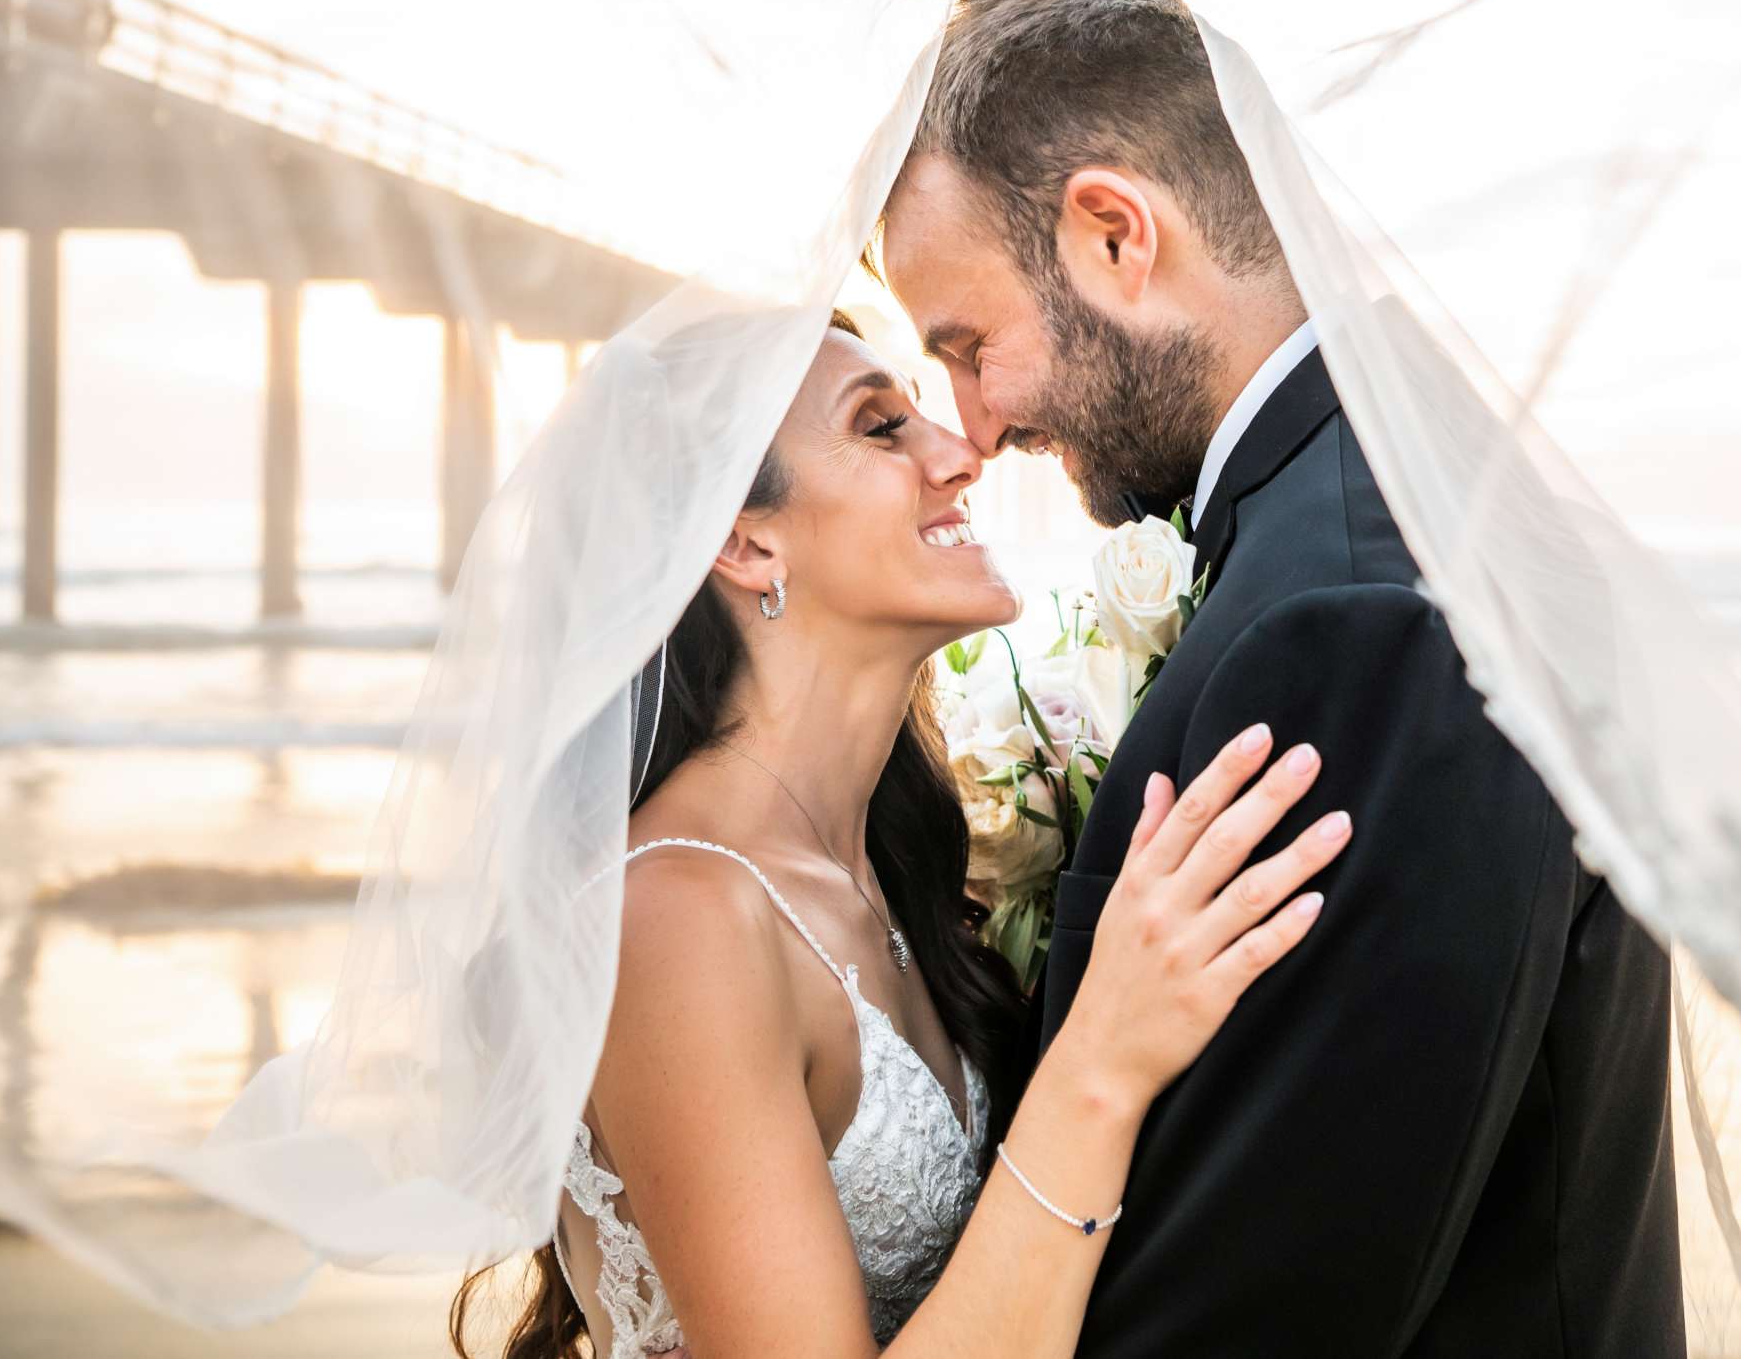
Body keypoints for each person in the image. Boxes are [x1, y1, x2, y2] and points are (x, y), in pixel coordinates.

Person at [871, 0, 1686, 1356]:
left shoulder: (1355, 620)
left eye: (970, 345)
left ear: (1116, 235)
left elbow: (1269, 1303)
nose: (975, 425)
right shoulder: (1388, 498)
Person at [452, 310, 1352, 1358]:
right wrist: (1106, 1052)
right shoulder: (674, 920)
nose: (962, 452)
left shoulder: (890, 867)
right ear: (744, 540)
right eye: (882, 427)